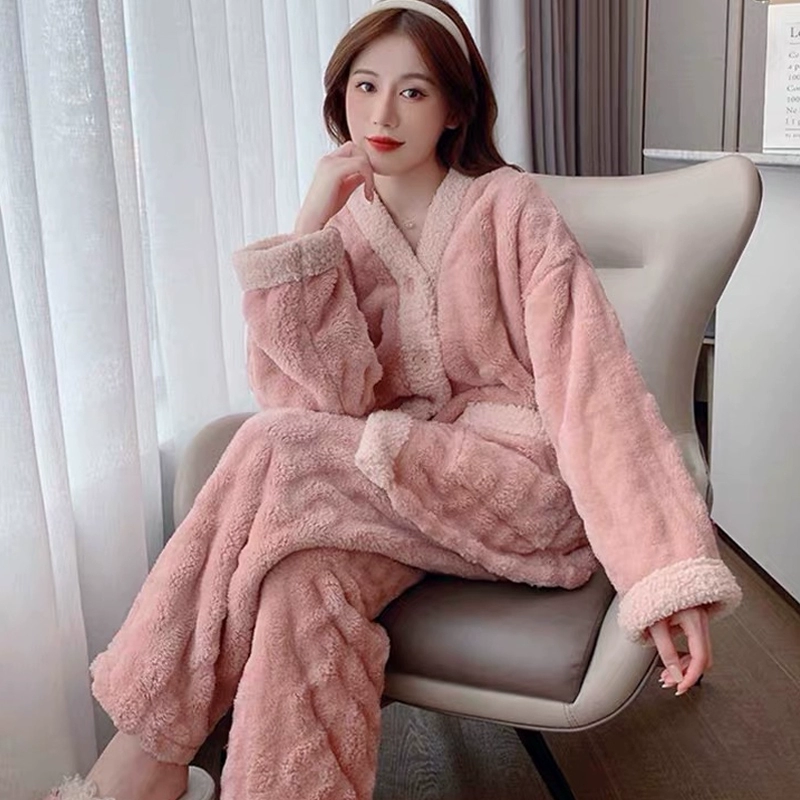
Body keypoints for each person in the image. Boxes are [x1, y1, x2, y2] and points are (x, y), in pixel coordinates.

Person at [45, 1, 742, 799]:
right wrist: (309, 232)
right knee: (304, 580)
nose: (382, 114)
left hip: (520, 489)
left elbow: (595, 386)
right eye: (365, 86)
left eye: (413, 92)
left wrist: (666, 570)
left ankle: (142, 761)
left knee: (271, 443)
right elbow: (318, 404)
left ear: (454, 110)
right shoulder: (345, 229)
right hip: (394, 487)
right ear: (340, 97)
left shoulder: (510, 208)